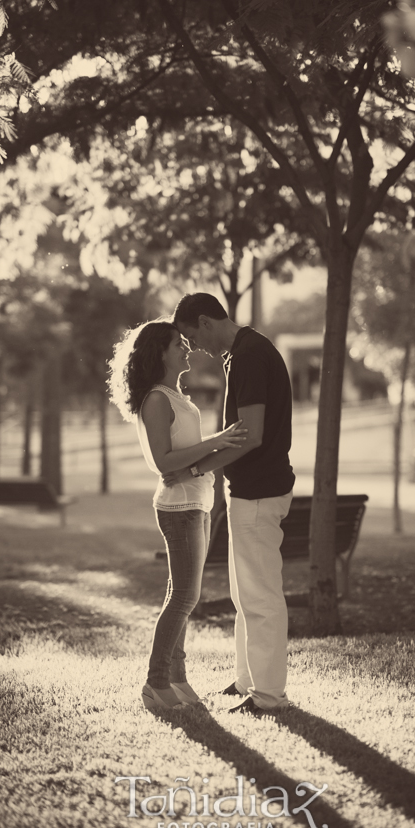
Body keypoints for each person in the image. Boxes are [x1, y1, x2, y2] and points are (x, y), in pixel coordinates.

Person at [108, 318, 247, 712]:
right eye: (178, 344)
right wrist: (217, 441)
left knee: (181, 593)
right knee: (186, 596)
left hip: (197, 501)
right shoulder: (156, 399)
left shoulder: (175, 394)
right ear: (161, 353)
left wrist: (211, 450)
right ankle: (155, 683)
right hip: (179, 506)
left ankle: (178, 678)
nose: (187, 349)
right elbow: (163, 462)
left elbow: (183, 455)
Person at [167, 294, 295, 715]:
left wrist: (198, 468)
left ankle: (269, 696)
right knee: (245, 595)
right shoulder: (240, 354)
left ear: (205, 321)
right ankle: (247, 681)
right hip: (248, 490)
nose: (194, 347)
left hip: (259, 491)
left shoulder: (249, 356)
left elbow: (252, 433)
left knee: (260, 597)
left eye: (191, 336)